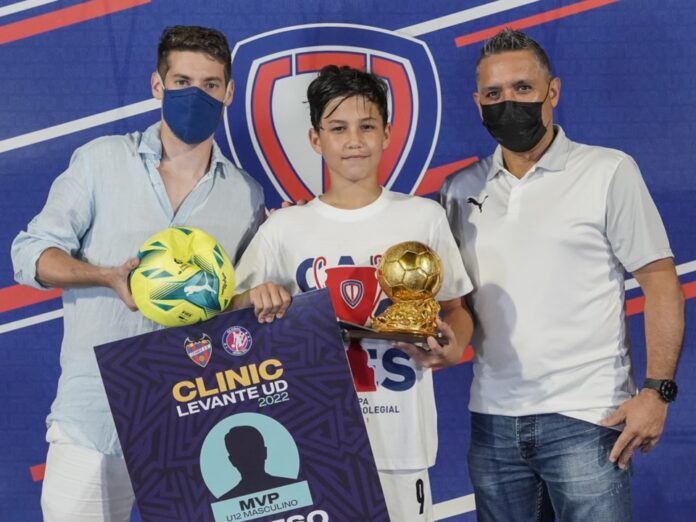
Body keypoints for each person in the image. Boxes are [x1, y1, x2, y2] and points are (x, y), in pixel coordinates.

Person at [11, 25, 272, 521]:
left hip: (193, 421)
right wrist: (105, 276)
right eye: (181, 82)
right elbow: (30, 254)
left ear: (229, 92)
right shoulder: (101, 161)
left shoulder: (245, 195)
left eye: (210, 85)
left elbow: (239, 305)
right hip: (94, 418)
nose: (195, 96)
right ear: (157, 85)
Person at [438, 28, 685, 521]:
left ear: (552, 92)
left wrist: (657, 392)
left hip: (589, 418)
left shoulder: (608, 171)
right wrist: (441, 344)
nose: (508, 103)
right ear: (477, 103)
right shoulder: (459, 189)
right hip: (492, 423)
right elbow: (457, 306)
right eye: (494, 94)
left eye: (522, 88)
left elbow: (660, 281)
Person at [231, 65, 475, 521]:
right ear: (315, 139)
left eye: (366, 126)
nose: (354, 140)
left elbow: (455, 309)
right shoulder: (285, 228)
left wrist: (455, 345)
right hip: (313, 444)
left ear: (387, 133)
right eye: (338, 128)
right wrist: (254, 298)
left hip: (402, 442)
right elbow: (231, 316)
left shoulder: (423, 217)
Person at [219, 425, 295, 499]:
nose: (249, 458)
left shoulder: (294, 487)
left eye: (252, 451)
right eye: (242, 454)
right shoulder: (292, 487)